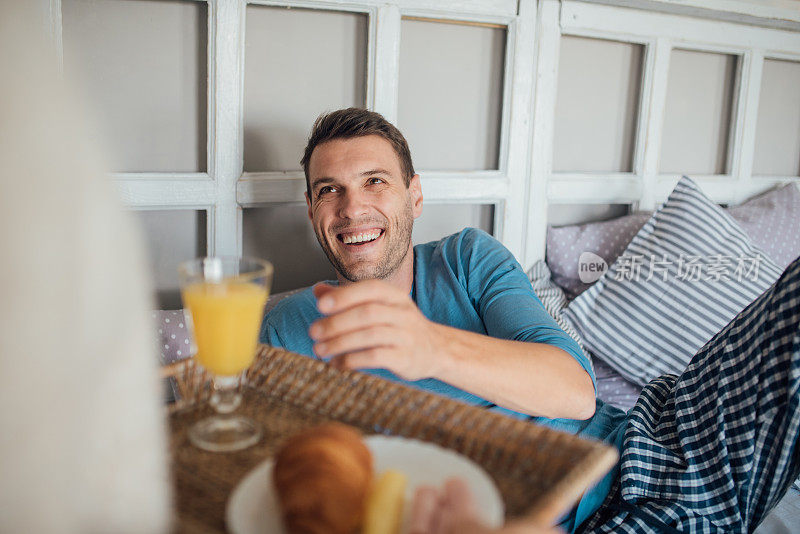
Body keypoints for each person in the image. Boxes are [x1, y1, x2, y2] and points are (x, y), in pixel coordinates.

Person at [261, 107, 800, 532]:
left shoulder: (466, 258)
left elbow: (573, 391)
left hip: (656, 447)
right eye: (329, 190)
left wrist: (430, 346)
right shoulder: (286, 327)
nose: (352, 208)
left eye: (375, 181)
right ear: (312, 209)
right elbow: (288, 486)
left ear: (415, 195)